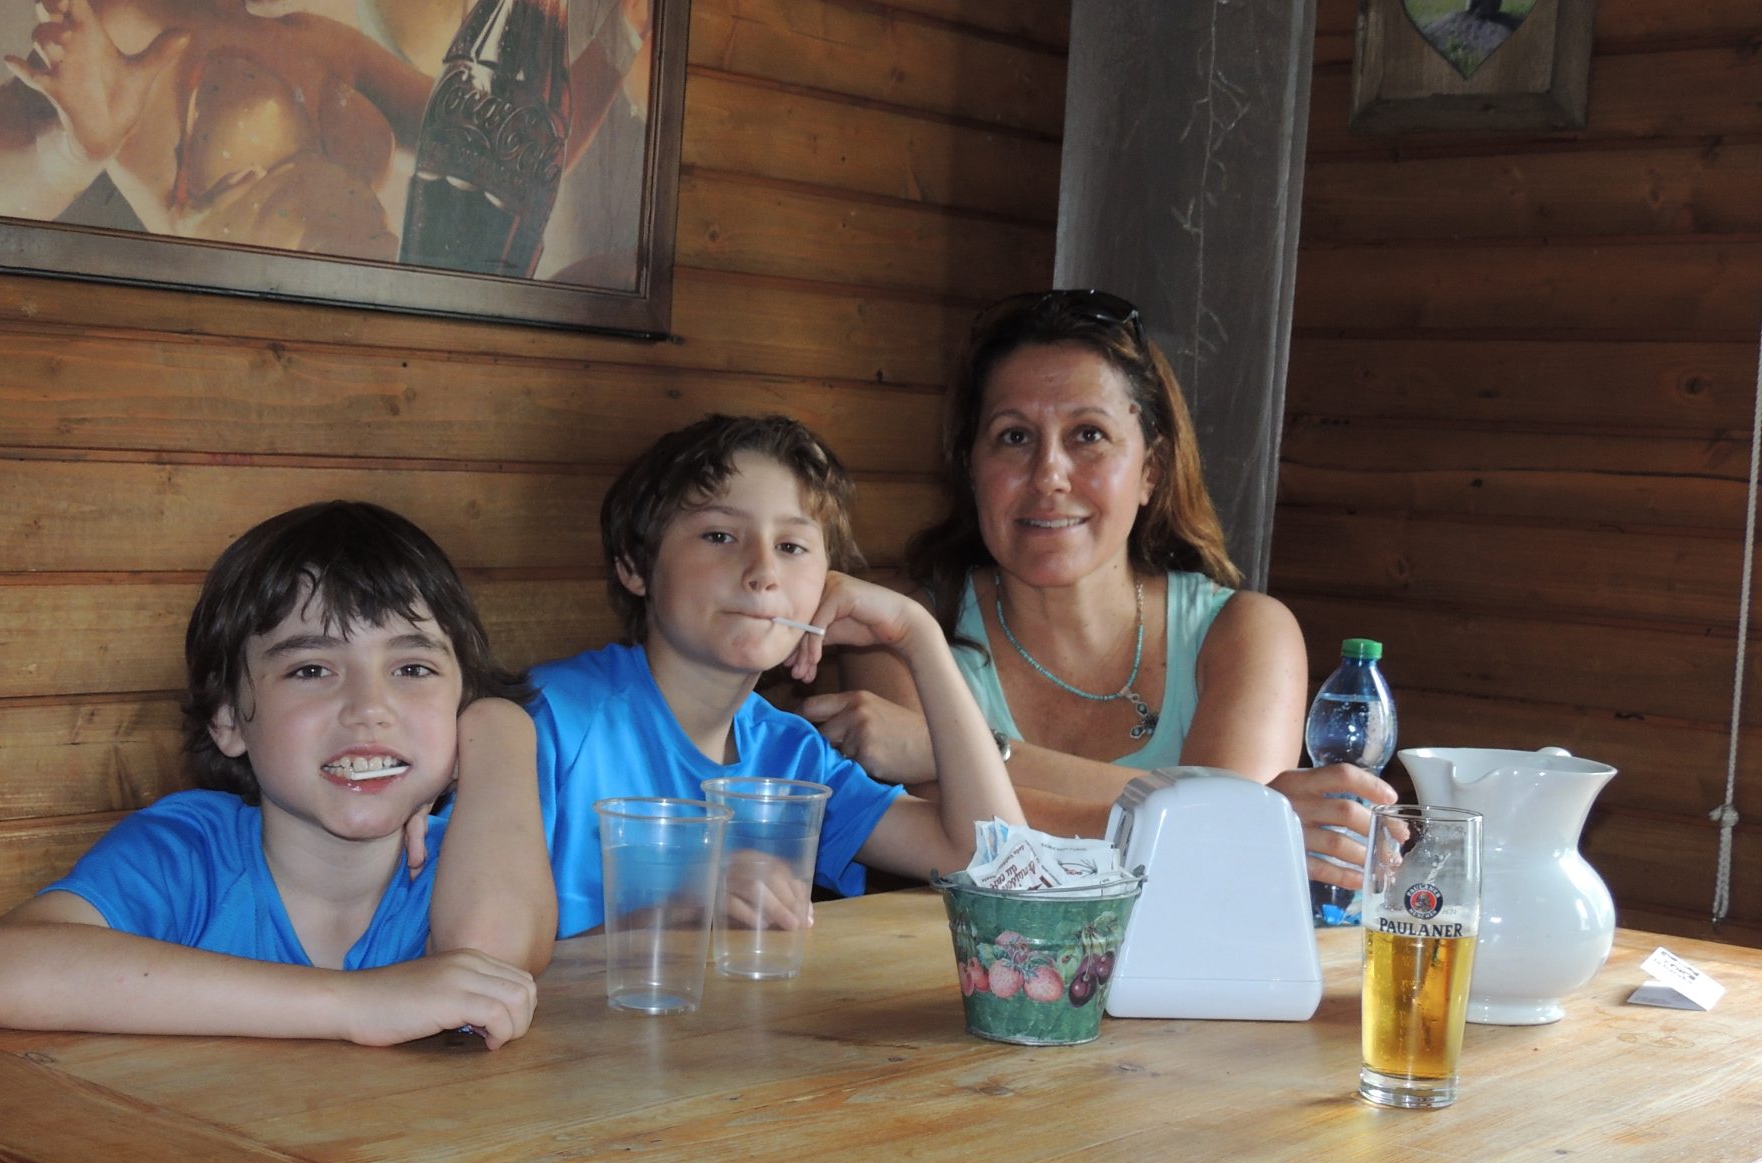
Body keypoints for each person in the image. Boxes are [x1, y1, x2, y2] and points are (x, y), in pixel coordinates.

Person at [809, 289, 1395, 886]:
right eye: (1014, 437)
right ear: (971, 469)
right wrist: (1222, 822)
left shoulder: (1246, 633)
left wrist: (963, 751)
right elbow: (978, 849)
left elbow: (1228, 863)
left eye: (1088, 434)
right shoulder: (896, 634)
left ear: (1150, 471)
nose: (1048, 476)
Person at [0, 500, 553, 1048]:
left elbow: (486, 974)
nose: (369, 707)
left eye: (414, 668)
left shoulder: (466, 868)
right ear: (227, 718)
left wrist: (500, 729)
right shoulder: (190, 855)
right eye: (312, 670)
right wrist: (355, 1005)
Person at [528, 413, 1026, 937]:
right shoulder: (550, 723)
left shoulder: (792, 758)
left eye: (791, 547)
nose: (763, 572)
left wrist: (917, 636)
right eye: (720, 536)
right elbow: (485, 963)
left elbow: (995, 863)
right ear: (634, 564)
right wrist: (681, 907)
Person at [0, 0, 648, 263]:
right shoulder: (122, 24)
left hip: (397, 340)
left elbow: (510, 157)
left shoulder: (323, 40)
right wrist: (72, 151)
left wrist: (625, 35)